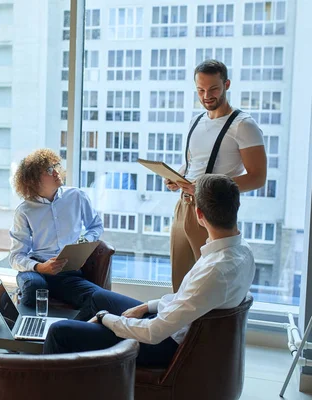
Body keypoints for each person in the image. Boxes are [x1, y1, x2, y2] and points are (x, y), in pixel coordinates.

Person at [43, 174, 256, 368]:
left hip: (164, 345)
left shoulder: (215, 270)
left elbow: (154, 332)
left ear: (199, 214)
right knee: (98, 297)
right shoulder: (241, 251)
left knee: (59, 332)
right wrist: (146, 306)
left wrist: (105, 318)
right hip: (171, 324)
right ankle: (77, 361)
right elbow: (190, 299)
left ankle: (66, 356)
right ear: (235, 207)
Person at [166, 59, 267, 291]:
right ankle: (184, 330)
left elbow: (258, 177)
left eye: (213, 89)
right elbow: (193, 164)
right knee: (180, 285)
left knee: (207, 287)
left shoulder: (243, 125)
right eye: (200, 90)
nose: (206, 96)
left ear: (227, 85)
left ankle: (208, 329)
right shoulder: (196, 120)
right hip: (184, 208)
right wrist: (177, 175)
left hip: (214, 212)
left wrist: (205, 185)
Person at [9, 148, 104, 320]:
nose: (56, 172)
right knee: (35, 286)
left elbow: (95, 226)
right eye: (49, 170)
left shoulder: (76, 196)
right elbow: (16, 257)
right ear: (34, 179)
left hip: (68, 271)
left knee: (99, 298)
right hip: (36, 269)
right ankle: (24, 340)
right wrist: (40, 267)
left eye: (56, 166)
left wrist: (83, 241)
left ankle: (63, 335)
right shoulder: (25, 211)